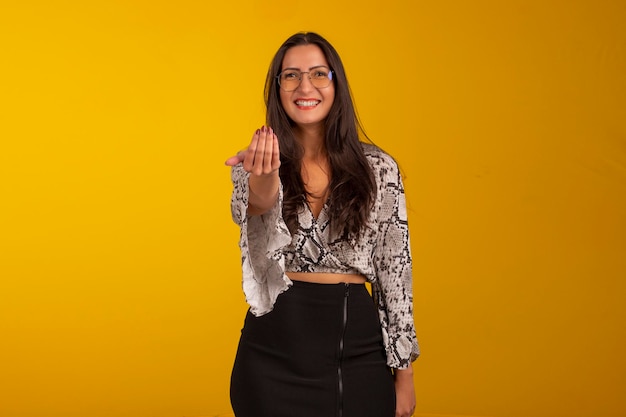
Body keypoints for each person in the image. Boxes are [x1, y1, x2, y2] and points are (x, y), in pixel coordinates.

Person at [225, 31, 419, 417]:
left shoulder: (379, 168)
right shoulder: (258, 161)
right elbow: (255, 206)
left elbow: (395, 274)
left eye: (318, 73)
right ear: (278, 88)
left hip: (357, 354)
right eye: (291, 75)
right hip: (271, 356)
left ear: (336, 83)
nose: (305, 86)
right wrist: (263, 174)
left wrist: (404, 376)